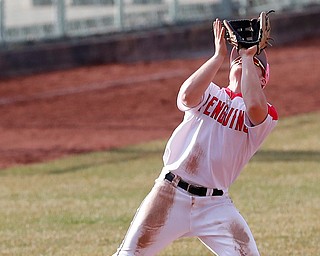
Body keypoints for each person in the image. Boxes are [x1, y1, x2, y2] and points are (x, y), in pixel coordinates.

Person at [113, 18, 278, 256]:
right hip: (170, 193)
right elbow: (186, 96)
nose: (244, 61)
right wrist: (219, 57)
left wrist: (249, 55)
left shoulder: (264, 115)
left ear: (263, 79)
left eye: (254, 64)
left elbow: (254, 106)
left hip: (215, 205)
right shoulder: (210, 91)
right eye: (240, 60)